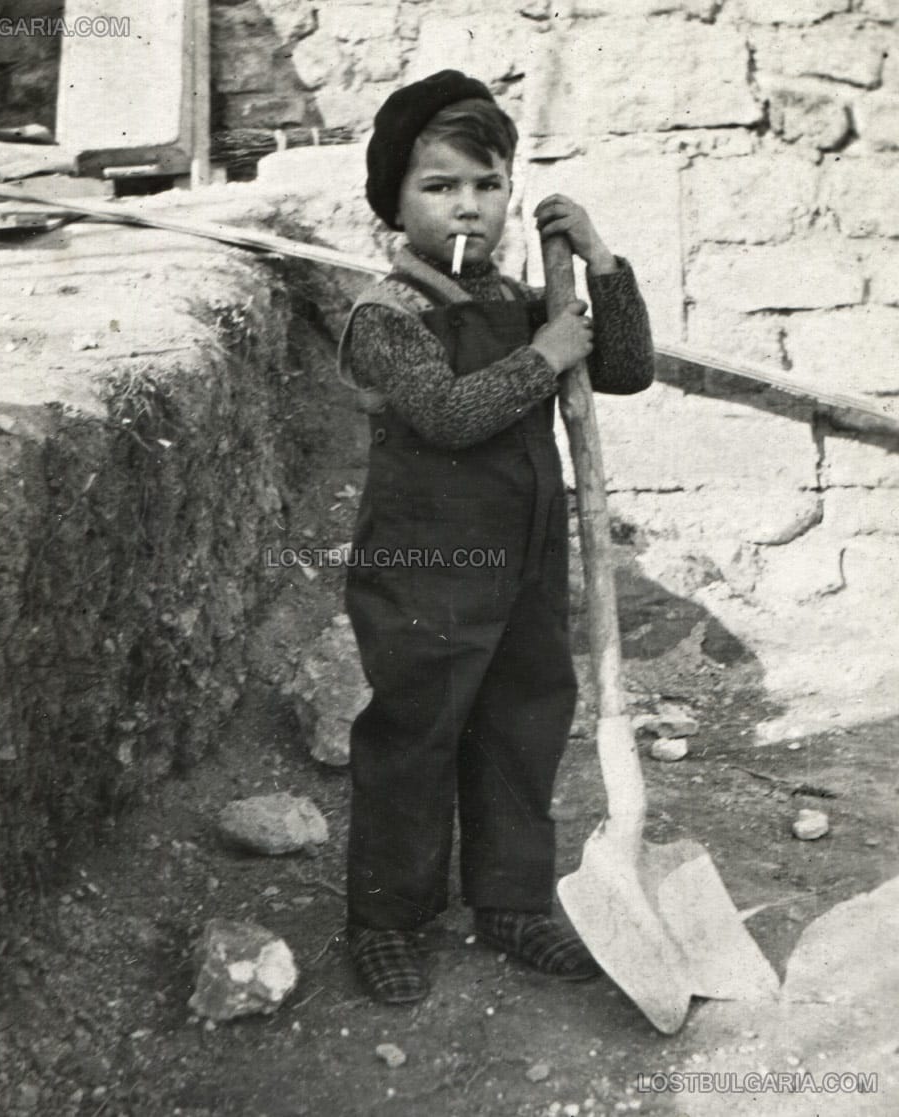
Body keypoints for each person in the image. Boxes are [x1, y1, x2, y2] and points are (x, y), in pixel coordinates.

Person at [338, 69, 654, 1004]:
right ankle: (388, 917)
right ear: (394, 204)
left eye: (487, 184)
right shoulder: (384, 316)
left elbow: (628, 369)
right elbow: (446, 414)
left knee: (524, 718)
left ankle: (511, 900)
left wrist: (599, 262)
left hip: (523, 554)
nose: (467, 207)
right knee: (417, 732)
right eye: (439, 188)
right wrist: (546, 354)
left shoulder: (524, 297)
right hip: (423, 566)